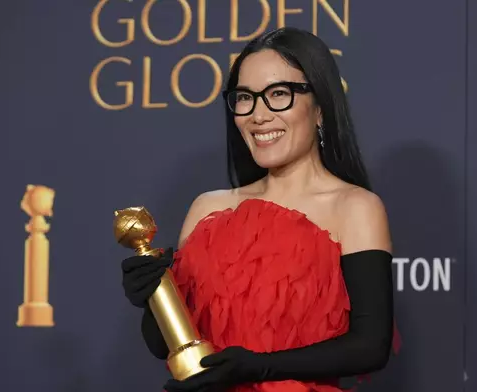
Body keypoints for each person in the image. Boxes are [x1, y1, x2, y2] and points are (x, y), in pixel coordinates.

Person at [121, 27, 400, 392]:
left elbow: (370, 347)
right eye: (244, 98)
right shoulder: (208, 208)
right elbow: (165, 345)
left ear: (320, 109)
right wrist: (151, 297)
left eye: (278, 94)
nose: (258, 115)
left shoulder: (355, 208)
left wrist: (258, 368)